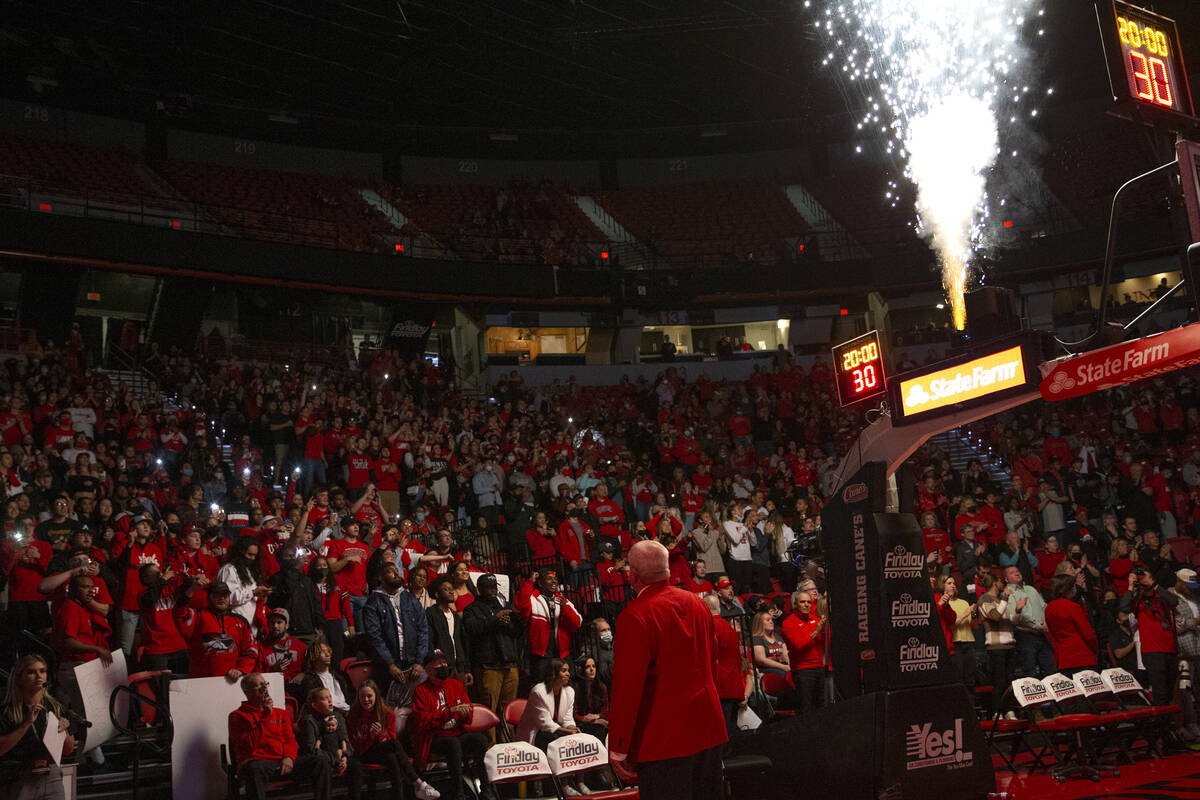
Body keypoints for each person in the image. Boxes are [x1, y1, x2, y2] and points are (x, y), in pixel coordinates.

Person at [607, 540, 726, 800]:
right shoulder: (698, 603)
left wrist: (618, 746)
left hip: (662, 739)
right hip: (708, 725)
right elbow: (713, 663)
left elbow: (628, 686)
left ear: (633, 574)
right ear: (668, 571)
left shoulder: (635, 615)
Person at [228, 672, 332, 800]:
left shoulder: (281, 714)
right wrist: (266, 716)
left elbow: (290, 740)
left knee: (320, 760)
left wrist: (289, 757)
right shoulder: (237, 716)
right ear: (247, 692)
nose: (264, 688)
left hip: (282, 762)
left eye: (265, 684)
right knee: (253, 768)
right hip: (258, 764)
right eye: (259, 685)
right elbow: (249, 746)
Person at [410, 650, 496, 800]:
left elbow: (469, 715)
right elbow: (424, 723)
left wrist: (465, 714)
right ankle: (459, 794)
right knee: (453, 744)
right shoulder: (421, 691)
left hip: (457, 732)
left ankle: (486, 789)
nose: (444, 667)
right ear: (429, 670)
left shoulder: (455, 685)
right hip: (435, 738)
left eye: (445, 663)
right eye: (439, 665)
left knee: (479, 740)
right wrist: (449, 712)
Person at [346, 680, 440, 800]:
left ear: (376, 696)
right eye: (362, 696)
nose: (366, 700)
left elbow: (391, 739)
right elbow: (356, 747)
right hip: (362, 753)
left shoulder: (387, 713)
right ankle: (418, 783)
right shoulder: (353, 715)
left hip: (381, 750)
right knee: (393, 748)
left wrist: (379, 735)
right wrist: (371, 737)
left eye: (369, 696)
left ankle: (404, 794)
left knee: (392, 757)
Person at [1, 654, 75, 800]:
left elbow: (68, 750)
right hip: (18, 777)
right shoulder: (7, 710)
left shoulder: (56, 707)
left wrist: (63, 732)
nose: (38, 676)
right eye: (31, 672)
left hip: (51, 775)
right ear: (19, 678)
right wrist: (27, 723)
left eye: (42, 671)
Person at [515, 659, 590, 796]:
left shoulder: (569, 692)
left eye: (568, 670)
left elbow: (567, 718)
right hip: (536, 734)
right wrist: (568, 732)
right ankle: (564, 785)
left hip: (556, 731)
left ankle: (580, 782)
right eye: (564, 671)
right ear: (554, 673)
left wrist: (573, 729)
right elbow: (545, 724)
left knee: (579, 738)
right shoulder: (538, 692)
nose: (568, 674)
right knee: (554, 739)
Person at [462, 573, 521, 742]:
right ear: (479, 589)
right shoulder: (471, 609)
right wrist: (495, 620)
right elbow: (472, 630)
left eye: (494, 586)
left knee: (508, 709)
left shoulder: (504, 606)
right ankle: (491, 747)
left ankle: (508, 744)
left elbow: (518, 633)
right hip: (488, 665)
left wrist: (513, 617)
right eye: (488, 587)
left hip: (509, 663)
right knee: (490, 708)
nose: (493, 590)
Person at [362, 563, 430, 693]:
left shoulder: (410, 598)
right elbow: (374, 636)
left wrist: (420, 661)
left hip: (413, 664)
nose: (396, 574)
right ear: (381, 578)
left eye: (397, 570)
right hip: (388, 668)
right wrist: (389, 664)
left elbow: (423, 630)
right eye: (390, 571)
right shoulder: (373, 602)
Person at [175, 579, 259, 680]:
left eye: (225, 595)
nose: (222, 598)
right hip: (199, 683)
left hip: (230, 682)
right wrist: (192, 590)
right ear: (209, 597)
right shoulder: (197, 616)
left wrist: (241, 669)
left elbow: (251, 649)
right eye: (217, 595)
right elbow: (179, 613)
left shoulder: (241, 621)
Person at [1121, 565, 1180, 705]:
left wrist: (1153, 584)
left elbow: (1174, 601)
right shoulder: (1138, 601)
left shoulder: (1161, 594)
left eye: (1144, 576)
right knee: (1160, 693)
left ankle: (1171, 723)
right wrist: (1130, 586)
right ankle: (1163, 725)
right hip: (1152, 651)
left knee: (1172, 691)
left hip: (1170, 649)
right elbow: (1124, 607)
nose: (1142, 579)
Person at [297, 687, 363, 799]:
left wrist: (344, 759)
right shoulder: (309, 720)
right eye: (325, 698)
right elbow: (311, 749)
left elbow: (346, 743)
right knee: (323, 764)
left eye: (330, 697)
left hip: (337, 756)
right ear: (314, 705)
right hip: (320, 759)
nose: (330, 701)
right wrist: (336, 761)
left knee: (356, 765)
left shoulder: (338, 717)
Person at [520, 569, 582, 679]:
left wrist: (564, 608)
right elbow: (522, 608)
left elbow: (577, 623)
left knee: (566, 688)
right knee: (543, 689)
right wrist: (530, 582)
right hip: (541, 655)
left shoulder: (563, 601)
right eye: (549, 579)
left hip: (562, 654)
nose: (554, 582)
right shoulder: (533, 599)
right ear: (540, 583)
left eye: (555, 579)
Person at [705, 594, 750, 736]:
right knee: (729, 729)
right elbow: (738, 659)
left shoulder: (710, 626)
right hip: (732, 684)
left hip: (719, 686)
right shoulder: (728, 627)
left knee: (720, 731)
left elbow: (709, 657)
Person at [1043, 573, 1098, 676]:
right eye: (1073, 586)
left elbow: (1052, 635)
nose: (1074, 588)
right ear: (1067, 588)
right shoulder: (1073, 607)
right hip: (1082, 656)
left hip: (1063, 659)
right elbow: (1088, 634)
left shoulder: (1048, 608)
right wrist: (1095, 650)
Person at [1004, 565, 1052, 678]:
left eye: (1017, 571)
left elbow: (1044, 607)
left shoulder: (1031, 589)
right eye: (1012, 573)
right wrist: (1040, 626)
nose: (1016, 573)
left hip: (1041, 634)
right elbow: (1019, 617)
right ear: (1006, 579)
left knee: (1051, 670)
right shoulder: (1008, 594)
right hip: (1025, 636)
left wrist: (1047, 622)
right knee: (1029, 673)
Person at [781, 590, 826, 710]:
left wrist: (824, 630)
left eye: (809, 602)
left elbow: (823, 643)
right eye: (802, 602)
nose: (806, 604)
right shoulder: (788, 623)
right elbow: (798, 645)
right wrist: (816, 631)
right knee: (806, 707)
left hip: (819, 667)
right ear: (795, 604)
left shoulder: (815, 619)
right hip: (803, 670)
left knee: (823, 706)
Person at [979, 574, 1016, 713]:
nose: (1003, 583)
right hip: (996, 647)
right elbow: (995, 616)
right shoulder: (984, 599)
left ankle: (1009, 711)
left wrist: (1018, 610)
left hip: (1009, 645)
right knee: (999, 682)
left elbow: (1011, 621)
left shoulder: (1000, 600)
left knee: (1009, 682)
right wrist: (1005, 598)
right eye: (1001, 580)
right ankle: (997, 712)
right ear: (995, 584)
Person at [425, 577, 471, 680]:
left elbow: (462, 642)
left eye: (451, 589)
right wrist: (436, 661)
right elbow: (429, 641)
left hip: (459, 667)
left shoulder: (455, 616)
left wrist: (466, 669)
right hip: (442, 667)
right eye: (446, 589)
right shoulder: (431, 614)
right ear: (437, 594)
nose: (451, 592)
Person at [1173, 568, 1200, 739]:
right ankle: (1190, 723)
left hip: (1198, 648)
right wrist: (1195, 622)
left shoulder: (1193, 599)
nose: (1191, 588)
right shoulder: (1173, 600)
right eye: (1188, 585)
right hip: (1185, 650)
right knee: (1187, 690)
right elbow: (1176, 626)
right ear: (1180, 582)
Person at [297, 641, 353, 714]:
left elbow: (352, 696)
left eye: (328, 651)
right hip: (329, 715)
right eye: (323, 652)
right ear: (314, 657)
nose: (328, 654)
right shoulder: (309, 680)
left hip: (349, 712)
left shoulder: (341, 675)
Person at [749, 610, 790, 678]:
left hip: (782, 665)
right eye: (768, 620)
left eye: (771, 620)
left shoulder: (777, 637)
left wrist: (790, 664)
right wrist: (784, 667)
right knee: (782, 673)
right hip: (767, 669)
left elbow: (785, 653)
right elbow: (762, 660)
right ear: (760, 623)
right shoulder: (757, 638)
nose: (771, 622)